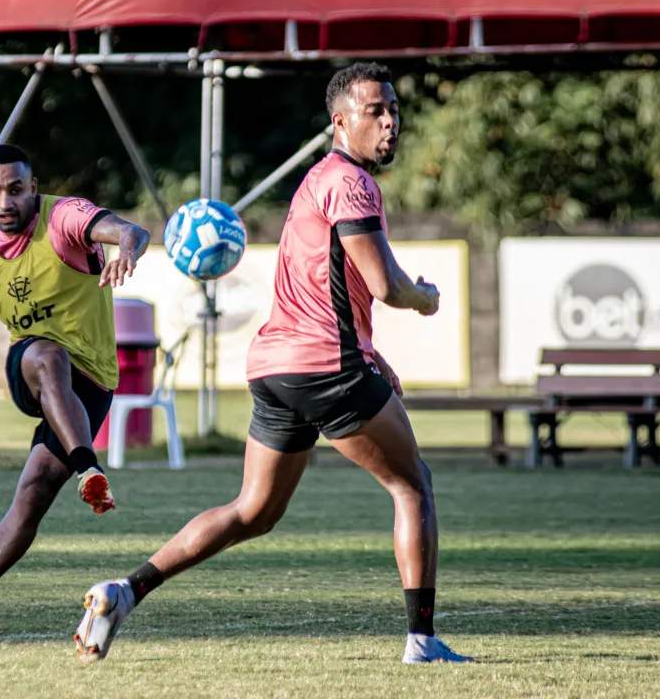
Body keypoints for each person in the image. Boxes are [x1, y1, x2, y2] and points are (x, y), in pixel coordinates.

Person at [74, 63, 474, 665]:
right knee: (412, 484)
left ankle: (125, 590)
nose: (391, 122)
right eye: (376, 112)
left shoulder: (316, 183)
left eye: (394, 110)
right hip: (326, 366)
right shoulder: (351, 184)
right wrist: (425, 299)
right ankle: (422, 640)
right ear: (340, 122)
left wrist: (372, 353)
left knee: (252, 512)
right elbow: (385, 285)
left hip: (278, 368)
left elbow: (326, 287)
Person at [0, 143, 150, 636]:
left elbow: (131, 230)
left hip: (93, 383)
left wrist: (125, 247)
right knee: (47, 353)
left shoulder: (63, 218)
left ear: (33, 188)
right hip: (32, 368)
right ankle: (89, 469)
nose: (5, 201)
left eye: (16, 189)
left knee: (33, 493)